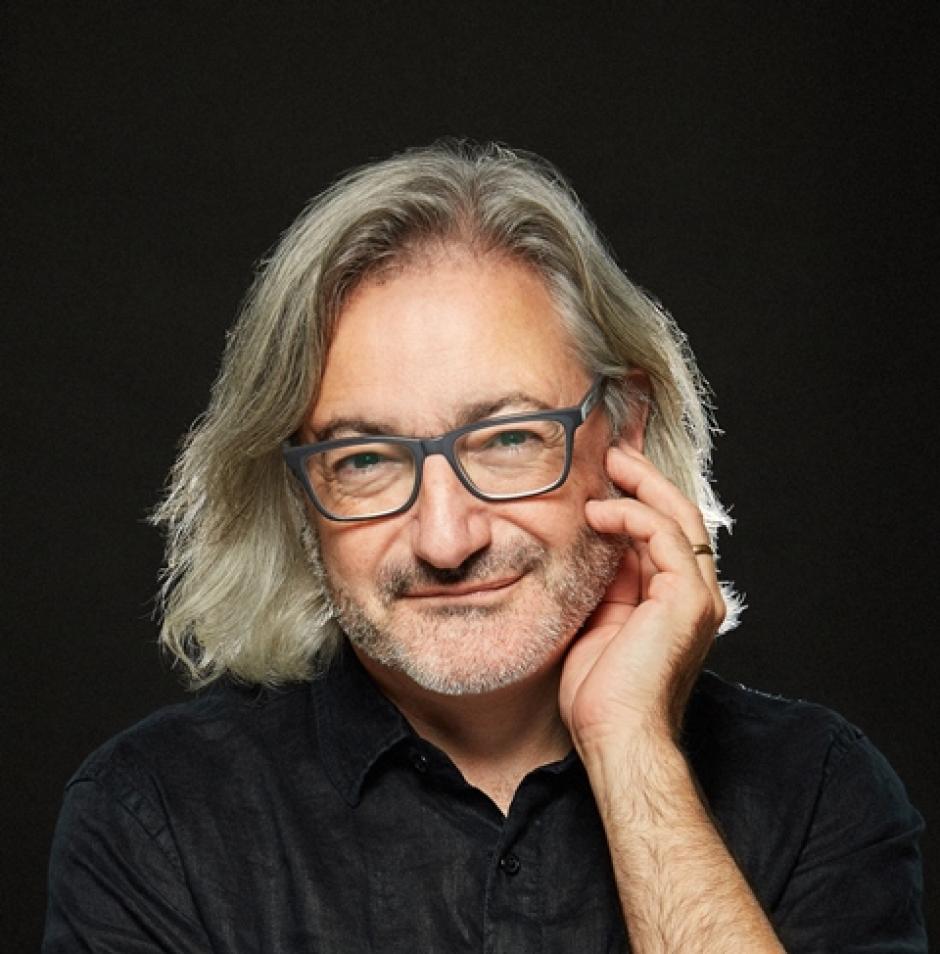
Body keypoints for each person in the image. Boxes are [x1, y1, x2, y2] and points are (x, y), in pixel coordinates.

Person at [44, 143, 925, 952]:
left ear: (626, 425)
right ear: (297, 488)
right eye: (364, 459)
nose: (444, 537)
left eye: (508, 440)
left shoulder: (816, 791)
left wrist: (631, 750)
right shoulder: (152, 817)